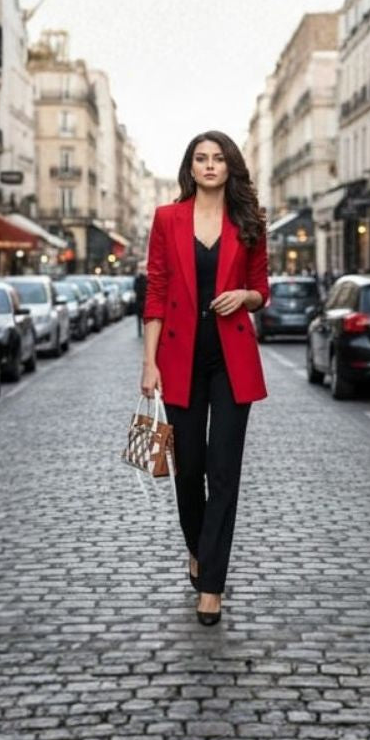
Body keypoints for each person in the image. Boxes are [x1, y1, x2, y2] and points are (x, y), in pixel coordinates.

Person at [140, 131, 269, 626]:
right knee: (188, 470)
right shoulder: (167, 219)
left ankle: (211, 584)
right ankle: (198, 548)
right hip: (179, 357)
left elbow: (262, 289)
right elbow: (155, 291)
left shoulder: (249, 221)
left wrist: (244, 297)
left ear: (229, 166)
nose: (210, 165)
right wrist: (148, 363)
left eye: (218, 158)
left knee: (224, 473)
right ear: (190, 167)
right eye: (201, 158)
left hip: (231, 358)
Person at [133, 269, 148, 337]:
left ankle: (142, 331)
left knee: (142, 317)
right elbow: (135, 288)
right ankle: (141, 331)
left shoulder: (145, 279)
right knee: (140, 317)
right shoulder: (138, 279)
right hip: (140, 300)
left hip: (143, 300)